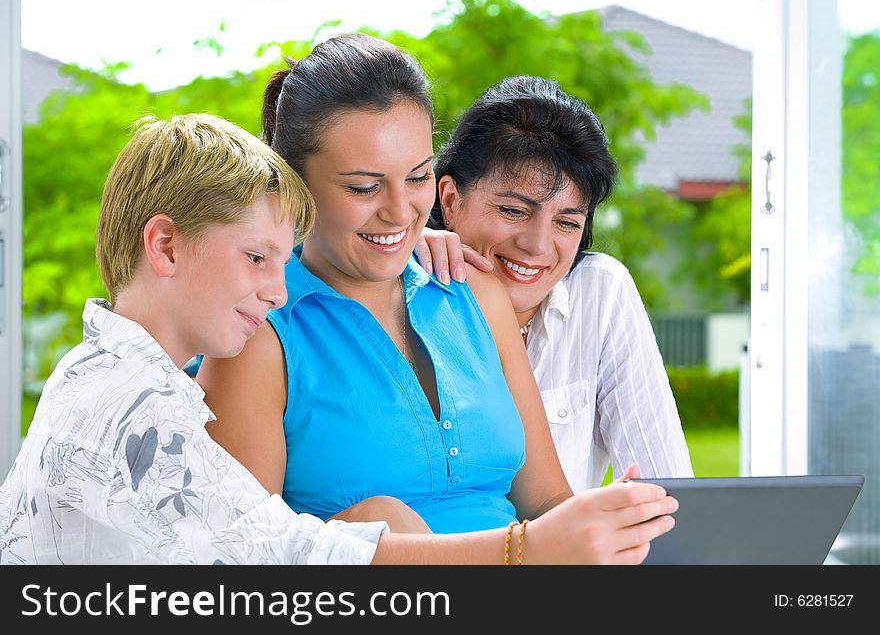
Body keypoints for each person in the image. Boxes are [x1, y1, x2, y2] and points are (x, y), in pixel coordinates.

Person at [0, 112, 677, 565]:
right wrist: (521, 548)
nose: (277, 289)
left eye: (280, 260)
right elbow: (275, 554)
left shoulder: (121, 382)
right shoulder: (126, 409)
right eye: (257, 258)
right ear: (166, 245)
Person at [198, 33, 676, 556]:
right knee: (377, 518)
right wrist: (520, 554)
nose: (401, 212)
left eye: (418, 176)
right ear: (295, 185)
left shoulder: (476, 295)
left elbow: (547, 503)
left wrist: (609, 525)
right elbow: (245, 563)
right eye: (364, 187)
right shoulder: (257, 332)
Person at [418, 75, 693, 492]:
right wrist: (397, 252)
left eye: (567, 222)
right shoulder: (402, 286)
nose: (537, 245)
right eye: (513, 210)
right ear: (451, 200)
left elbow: (666, 486)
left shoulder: (600, 292)